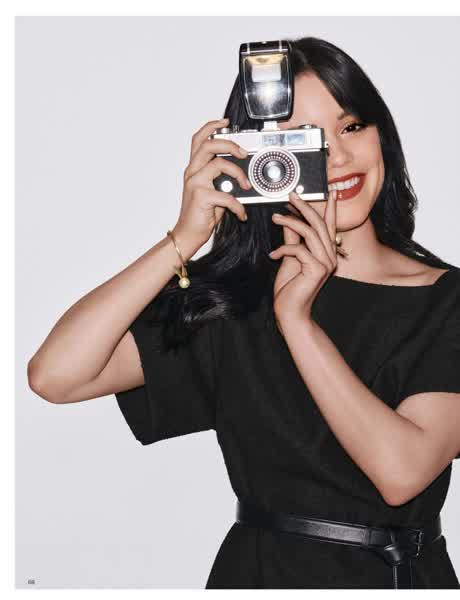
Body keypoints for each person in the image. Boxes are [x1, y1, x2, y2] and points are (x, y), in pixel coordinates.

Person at [27, 36, 460, 589]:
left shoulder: (445, 300)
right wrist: (184, 238)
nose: (338, 157)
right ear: (259, 158)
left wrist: (298, 323)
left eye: (352, 127)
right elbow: (55, 376)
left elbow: (402, 473)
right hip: (258, 576)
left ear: (384, 136)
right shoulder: (234, 299)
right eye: (305, 141)